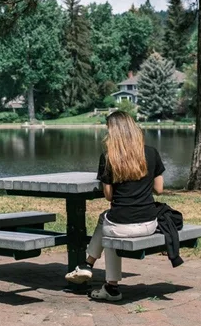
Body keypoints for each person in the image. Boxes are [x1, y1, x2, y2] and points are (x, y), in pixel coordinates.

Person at [65, 110, 165, 302]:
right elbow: (159, 189)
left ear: (113, 132)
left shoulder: (108, 157)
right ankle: (98, 276)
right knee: (109, 222)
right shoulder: (151, 153)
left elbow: (109, 196)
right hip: (149, 223)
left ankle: (93, 270)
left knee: (108, 224)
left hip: (120, 225)